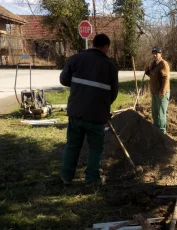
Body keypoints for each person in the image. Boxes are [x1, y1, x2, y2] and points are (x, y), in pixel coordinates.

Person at [60, 33, 118, 186]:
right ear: (106, 46)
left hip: (76, 113)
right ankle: (91, 179)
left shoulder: (76, 59)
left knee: (72, 144)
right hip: (97, 116)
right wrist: (102, 105)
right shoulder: (110, 66)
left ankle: (66, 176)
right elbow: (114, 94)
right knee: (95, 148)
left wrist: (80, 90)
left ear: (92, 43)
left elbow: (64, 79)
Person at [144, 47, 170, 134]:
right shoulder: (153, 64)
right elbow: (153, 76)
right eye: (153, 53)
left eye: (156, 53)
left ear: (160, 54)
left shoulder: (163, 64)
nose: (154, 55)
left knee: (161, 114)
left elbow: (165, 78)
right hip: (154, 92)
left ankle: (162, 133)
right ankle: (156, 130)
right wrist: (147, 72)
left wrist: (163, 91)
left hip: (161, 92)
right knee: (154, 112)